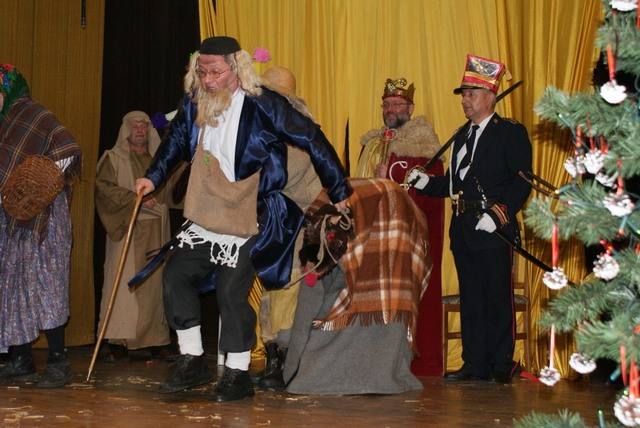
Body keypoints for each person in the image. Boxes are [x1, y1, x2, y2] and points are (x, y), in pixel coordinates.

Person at [134, 36, 352, 402]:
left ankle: (237, 373)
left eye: (215, 72)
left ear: (236, 68)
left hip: (255, 209)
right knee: (176, 274)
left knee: (230, 288)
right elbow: (175, 141)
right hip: (209, 208)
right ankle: (192, 359)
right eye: (202, 72)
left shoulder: (264, 104)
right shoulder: (194, 102)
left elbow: (311, 137)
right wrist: (153, 177)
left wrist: (339, 187)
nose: (208, 80)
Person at [408, 54, 532, 384]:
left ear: (490, 97)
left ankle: (501, 364)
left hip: (494, 228)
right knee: (472, 298)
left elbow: (522, 182)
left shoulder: (510, 133)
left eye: (471, 94)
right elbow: (454, 184)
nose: (465, 100)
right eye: (464, 94)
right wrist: (427, 183)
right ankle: (474, 363)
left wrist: (499, 213)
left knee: (497, 297)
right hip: (463, 228)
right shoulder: (461, 136)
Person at [354, 78, 445, 375]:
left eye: (397, 104)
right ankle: (375, 363)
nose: (391, 109)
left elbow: (430, 191)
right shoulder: (373, 144)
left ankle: (417, 364)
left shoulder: (424, 144)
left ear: (410, 108)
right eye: (387, 104)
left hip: (410, 238)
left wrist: (391, 175)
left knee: (411, 296)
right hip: (376, 235)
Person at [0, 64, 82, 388]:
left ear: (10, 90)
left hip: (44, 218)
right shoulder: (4, 122)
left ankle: (59, 361)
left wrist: (37, 185)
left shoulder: (32, 114)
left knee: (46, 283)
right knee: (13, 286)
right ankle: (20, 359)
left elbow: (68, 147)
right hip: (12, 219)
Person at [95, 111, 184, 362]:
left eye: (143, 126)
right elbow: (104, 190)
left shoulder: (161, 160)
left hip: (156, 231)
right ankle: (119, 342)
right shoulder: (113, 159)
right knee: (123, 287)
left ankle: (157, 341)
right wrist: (135, 198)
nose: (139, 130)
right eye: (134, 126)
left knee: (154, 287)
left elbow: (176, 189)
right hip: (127, 228)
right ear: (125, 130)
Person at [255, 65, 323, 390]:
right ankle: (272, 359)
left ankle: (287, 364)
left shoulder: (300, 132)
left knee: (288, 292)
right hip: (277, 227)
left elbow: (281, 174)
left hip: (298, 226)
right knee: (271, 294)